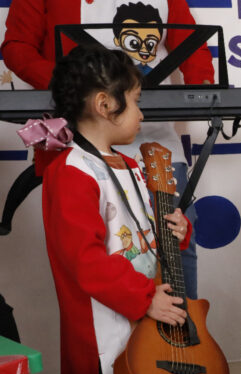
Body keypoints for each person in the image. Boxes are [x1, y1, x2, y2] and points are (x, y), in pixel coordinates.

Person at [0, 0, 213, 300]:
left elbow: (191, 44)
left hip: (157, 146)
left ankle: (183, 329)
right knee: (95, 251)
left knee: (176, 246)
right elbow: (18, 47)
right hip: (83, 142)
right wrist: (74, 86)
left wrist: (204, 87)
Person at [37, 45, 192, 374]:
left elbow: (142, 232)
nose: (141, 115)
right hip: (107, 320)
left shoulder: (131, 165)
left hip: (141, 310)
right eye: (136, 102)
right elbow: (84, 261)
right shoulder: (72, 172)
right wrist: (145, 298)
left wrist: (175, 231)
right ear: (105, 104)